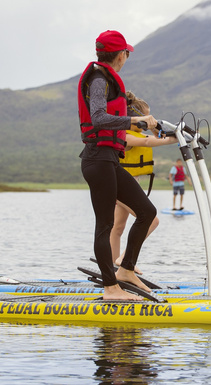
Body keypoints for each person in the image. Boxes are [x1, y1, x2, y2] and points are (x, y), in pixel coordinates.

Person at [78, 29, 158, 301]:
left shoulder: (108, 80)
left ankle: (125, 270)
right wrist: (135, 122)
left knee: (147, 212)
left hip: (108, 160)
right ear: (121, 54)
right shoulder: (99, 80)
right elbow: (99, 118)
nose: (127, 57)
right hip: (97, 159)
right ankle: (111, 288)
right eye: (127, 53)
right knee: (105, 225)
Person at [110, 92, 178, 274]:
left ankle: (113, 267)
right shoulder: (124, 135)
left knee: (118, 226)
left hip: (127, 186)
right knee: (151, 220)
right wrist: (175, 140)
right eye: (145, 119)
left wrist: (165, 130)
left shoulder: (133, 132)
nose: (148, 123)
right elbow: (147, 142)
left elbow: (151, 135)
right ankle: (124, 260)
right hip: (119, 187)